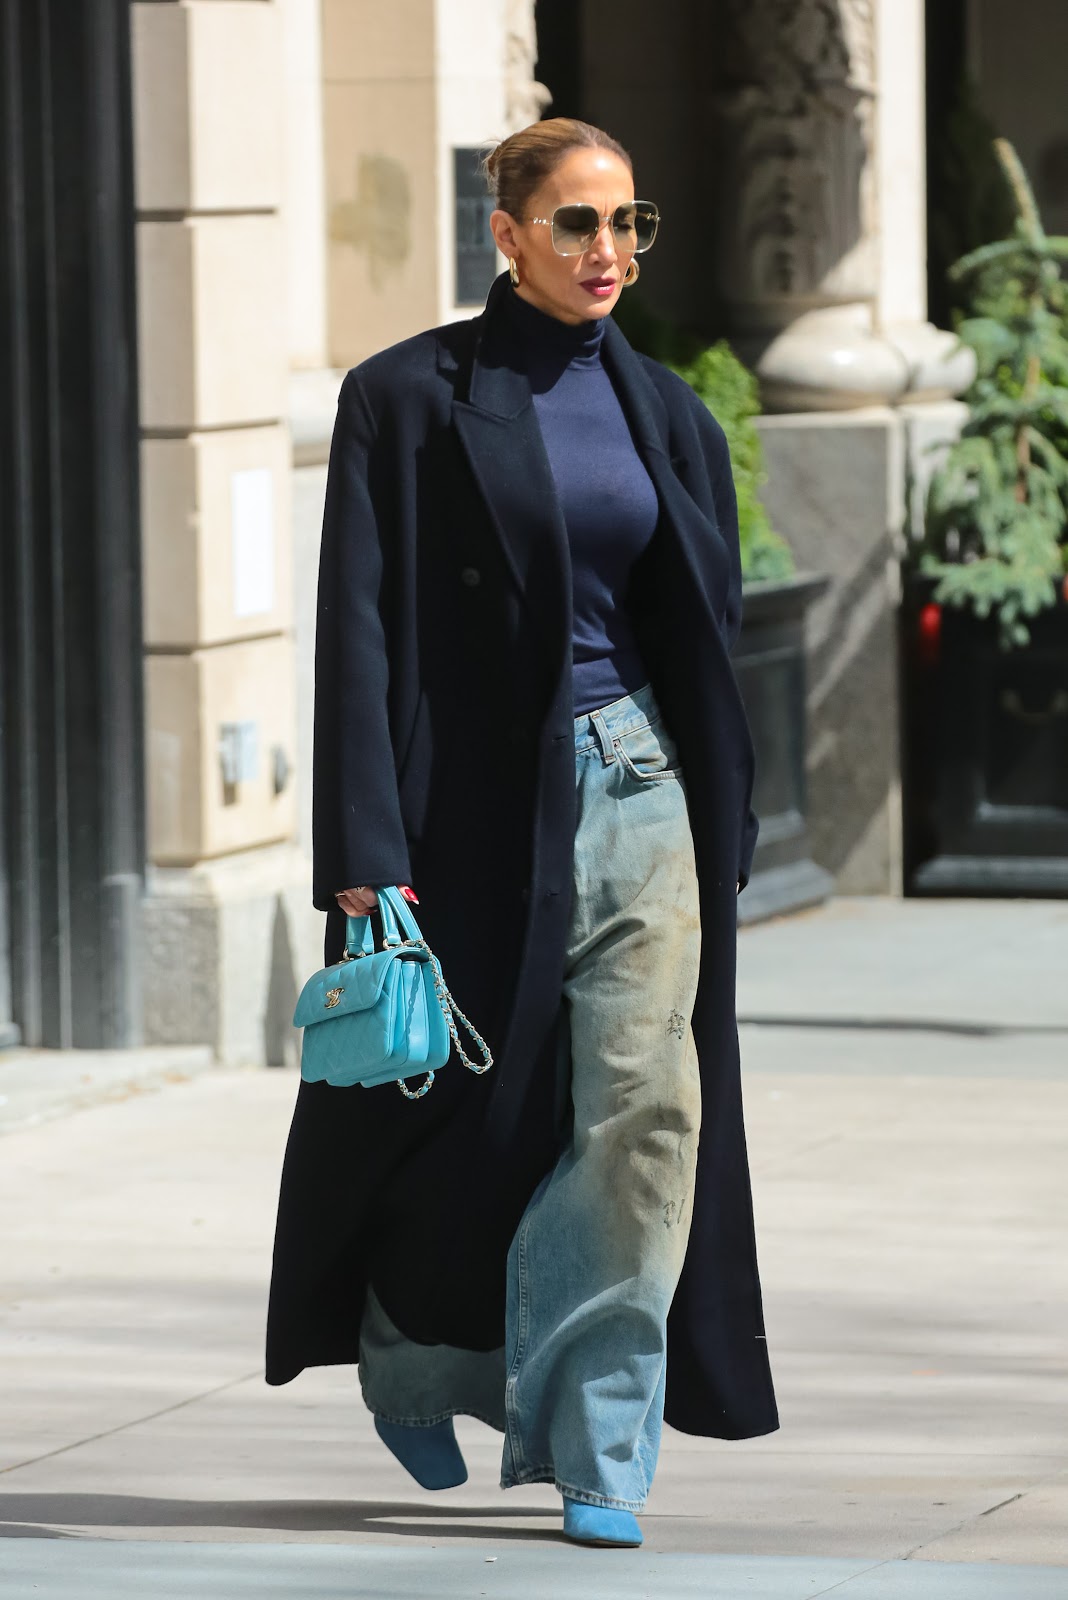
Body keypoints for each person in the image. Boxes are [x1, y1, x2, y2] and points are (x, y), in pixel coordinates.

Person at [266, 116, 778, 1548]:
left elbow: (703, 630)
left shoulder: (665, 411)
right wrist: (367, 858)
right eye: (577, 225)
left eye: (629, 225)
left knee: (643, 1111)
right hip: (475, 810)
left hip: (643, 793)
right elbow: (356, 638)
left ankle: (600, 1442)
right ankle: (415, 1351)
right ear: (507, 234)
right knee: (471, 1117)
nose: (608, 251)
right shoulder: (407, 398)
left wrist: (721, 807)